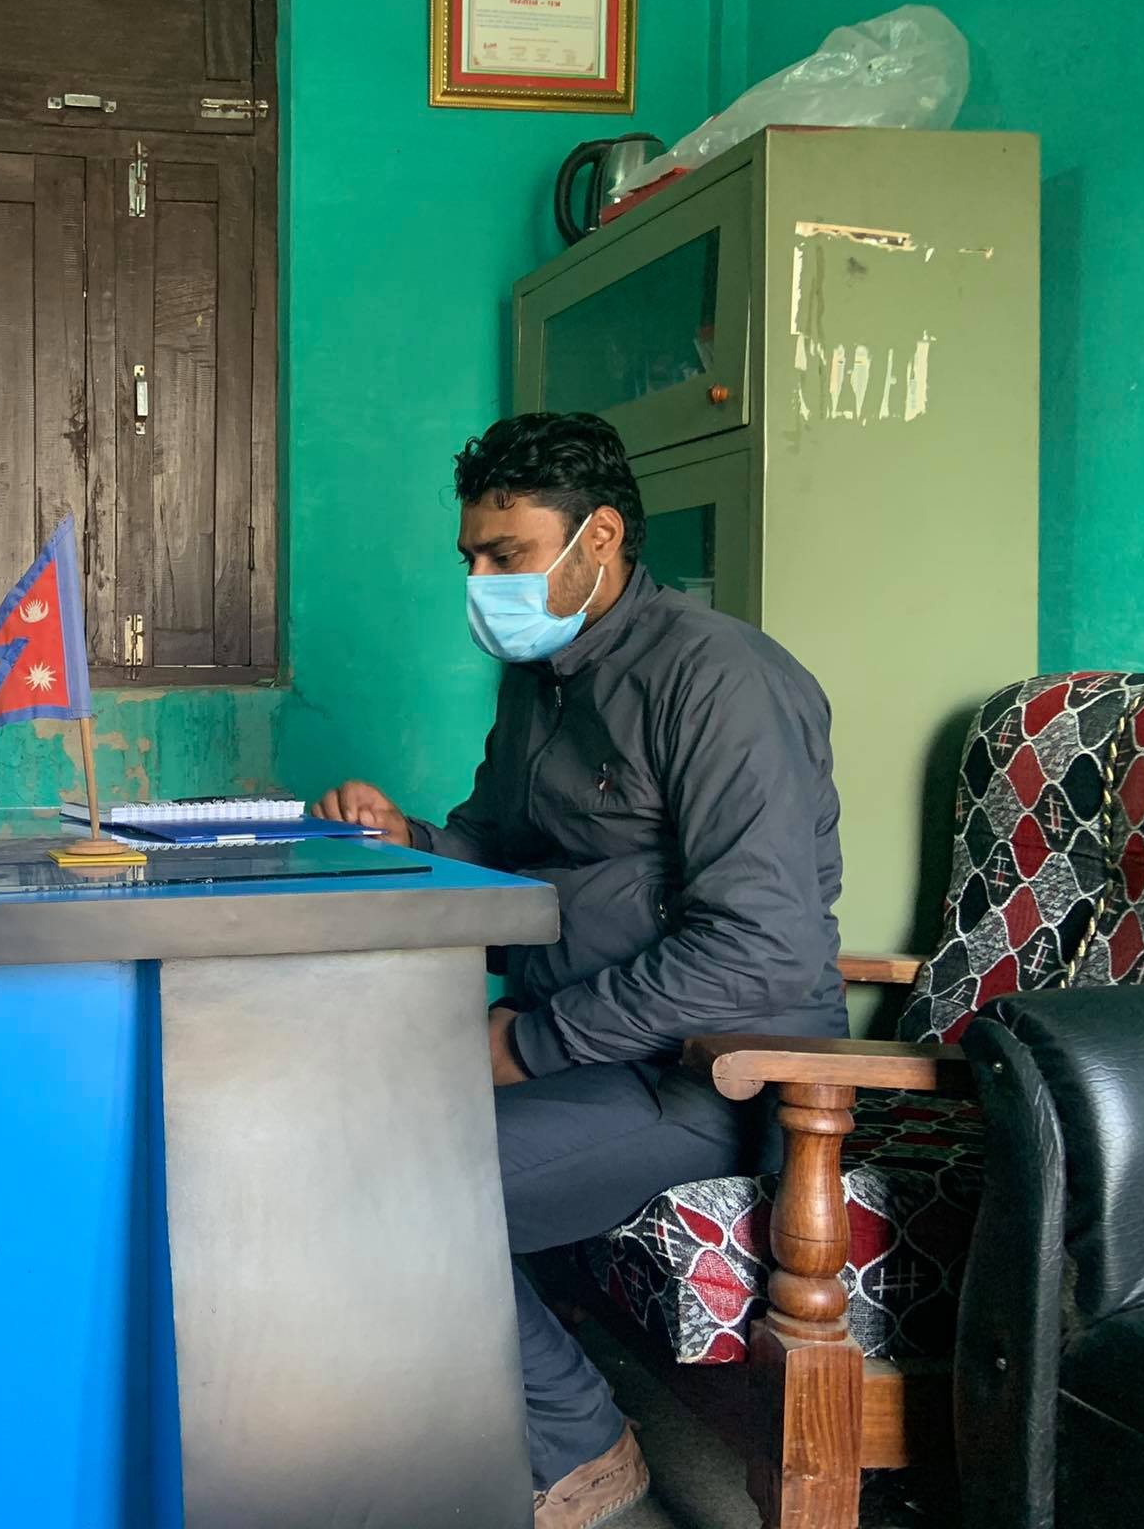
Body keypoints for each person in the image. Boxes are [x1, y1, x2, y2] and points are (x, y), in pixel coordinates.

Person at [315, 412, 845, 1529]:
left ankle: (583, 1458)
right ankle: (493, 1429)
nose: (481, 580)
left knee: (386, 1191)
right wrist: (403, 834)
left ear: (596, 538)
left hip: (708, 1079)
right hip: (582, 1056)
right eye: (470, 556)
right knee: (324, 1133)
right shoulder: (542, 676)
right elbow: (500, 852)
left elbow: (761, 945)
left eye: (505, 554)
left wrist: (521, 1044)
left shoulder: (719, 681)